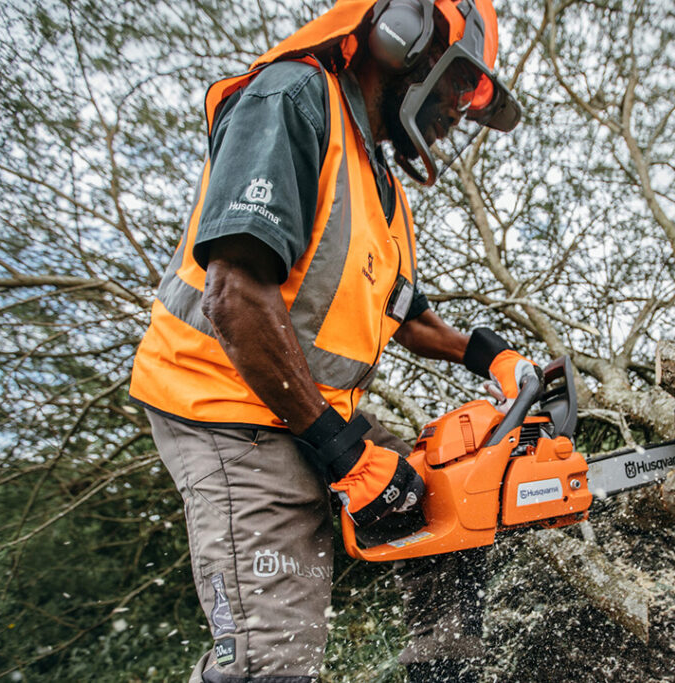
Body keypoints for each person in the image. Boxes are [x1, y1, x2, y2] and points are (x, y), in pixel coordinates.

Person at [129, 0, 535, 680]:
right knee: (272, 663)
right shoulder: (293, 98)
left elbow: (407, 314)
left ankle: (445, 668)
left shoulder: (381, 186)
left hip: (307, 407)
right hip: (226, 408)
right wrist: (346, 455)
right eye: (460, 85)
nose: (459, 110)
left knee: (456, 504)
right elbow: (234, 296)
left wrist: (490, 354)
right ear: (402, 37)